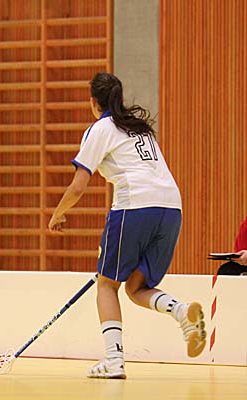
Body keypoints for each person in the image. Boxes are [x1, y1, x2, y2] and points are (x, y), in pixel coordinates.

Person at [48, 72, 206, 379]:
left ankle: (113, 360)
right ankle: (181, 311)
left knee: (107, 285)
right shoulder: (140, 128)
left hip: (135, 207)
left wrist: (58, 214)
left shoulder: (100, 128)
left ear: (93, 102)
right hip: (172, 209)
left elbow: (78, 186)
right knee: (136, 287)